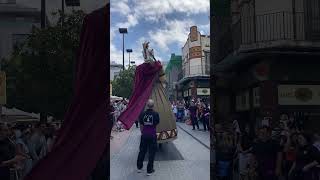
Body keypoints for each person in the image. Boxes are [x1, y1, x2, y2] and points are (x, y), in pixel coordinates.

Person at [137, 99, 160, 176]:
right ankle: (149, 170)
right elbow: (156, 123)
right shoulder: (156, 114)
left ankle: (139, 167)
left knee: (142, 151)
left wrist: (142, 132)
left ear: (147, 105)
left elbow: (141, 124)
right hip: (152, 135)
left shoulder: (142, 114)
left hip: (144, 135)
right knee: (151, 153)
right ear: (153, 106)